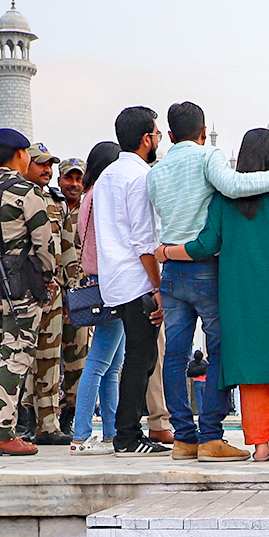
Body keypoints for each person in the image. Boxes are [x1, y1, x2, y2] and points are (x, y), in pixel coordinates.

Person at [148, 102, 269, 463]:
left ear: (169, 136)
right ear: (203, 133)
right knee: (220, 351)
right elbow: (235, 187)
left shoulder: (155, 173)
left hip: (172, 269)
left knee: (175, 355)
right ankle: (211, 438)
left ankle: (184, 439)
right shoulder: (209, 158)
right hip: (204, 268)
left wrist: (164, 256)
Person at [91, 108, 170, 455]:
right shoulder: (139, 177)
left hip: (115, 280)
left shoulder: (108, 175)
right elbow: (143, 240)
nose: (159, 140)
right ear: (145, 139)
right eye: (157, 133)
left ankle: (127, 432)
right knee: (142, 358)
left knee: (138, 357)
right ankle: (127, 436)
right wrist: (158, 287)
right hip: (138, 282)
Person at [0, 129, 56, 456]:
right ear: (20, 154)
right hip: (20, 287)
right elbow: (44, 245)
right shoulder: (26, 192)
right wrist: (46, 278)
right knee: (17, 356)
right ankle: (2, 431)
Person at [69, 143, 125, 454]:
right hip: (111, 284)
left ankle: (111, 431)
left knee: (112, 363)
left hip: (98, 281)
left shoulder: (87, 197)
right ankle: (82, 432)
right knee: (100, 362)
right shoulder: (101, 196)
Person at [28, 146, 81, 447]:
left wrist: (72, 289)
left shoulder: (56, 204)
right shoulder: (18, 198)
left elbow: (67, 247)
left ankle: (49, 424)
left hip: (53, 292)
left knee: (50, 358)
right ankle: (22, 421)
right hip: (23, 290)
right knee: (23, 361)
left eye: (50, 166)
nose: (47, 171)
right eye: (42, 165)